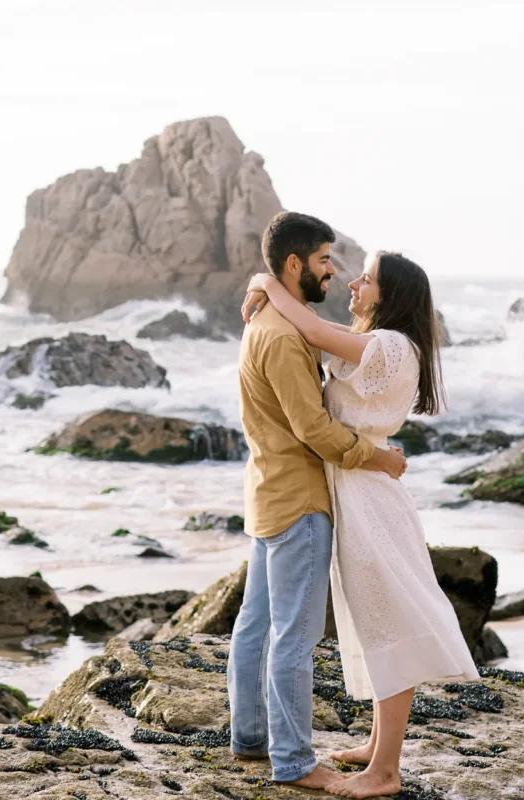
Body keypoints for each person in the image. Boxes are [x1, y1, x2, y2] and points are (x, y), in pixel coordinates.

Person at [243, 249, 480, 799]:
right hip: (358, 490)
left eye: (367, 278)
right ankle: (378, 745)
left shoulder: (390, 346)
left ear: (388, 295)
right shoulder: (378, 342)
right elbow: (318, 329)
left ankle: (385, 773)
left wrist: (264, 279)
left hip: (370, 499)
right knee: (373, 620)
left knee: (387, 623)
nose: (353, 282)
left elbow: (308, 325)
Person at [227, 212, 407, 792]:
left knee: (254, 626)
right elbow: (315, 429)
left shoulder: (274, 321)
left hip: (267, 492)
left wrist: (261, 282)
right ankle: (296, 763)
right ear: (296, 264)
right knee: (294, 639)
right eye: (326, 260)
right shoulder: (281, 335)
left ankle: (250, 738)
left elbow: (322, 339)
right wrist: (379, 458)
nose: (335, 270)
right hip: (300, 502)